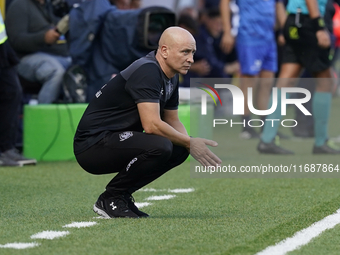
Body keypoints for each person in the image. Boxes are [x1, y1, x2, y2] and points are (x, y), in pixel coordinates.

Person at [73, 27, 222, 218]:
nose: (191, 59)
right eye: (185, 52)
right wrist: (190, 142)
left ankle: (122, 196)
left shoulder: (171, 76)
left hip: (113, 139)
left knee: (178, 149)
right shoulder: (148, 70)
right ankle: (111, 198)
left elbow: (172, 120)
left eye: (193, 52)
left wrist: (189, 144)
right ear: (165, 51)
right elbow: (151, 125)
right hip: (92, 145)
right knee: (162, 145)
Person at [257, 0, 340, 154]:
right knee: (326, 82)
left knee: (285, 83)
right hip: (309, 23)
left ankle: (267, 139)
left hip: (294, 21)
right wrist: (319, 27)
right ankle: (321, 142)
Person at [220, 0, 287, 139]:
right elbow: (225, 2)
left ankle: (265, 127)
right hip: (249, 36)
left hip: (269, 38)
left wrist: (286, 31)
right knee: (249, 83)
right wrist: (227, 31)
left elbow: (278, 6)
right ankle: (246, 126)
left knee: (267, 83)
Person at [5, 0, 72, 104]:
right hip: (25, 58)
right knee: (55, 72)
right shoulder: (19, 5)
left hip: (58, 56)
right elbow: (16, 41)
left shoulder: (48, 6)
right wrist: (43, 38)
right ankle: (44, 115)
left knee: (78, 69)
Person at [0, 10, 37, 167]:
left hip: (2, 45)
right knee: (11, 92)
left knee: (12, 92)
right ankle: (5, 150)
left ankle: (6, 149)